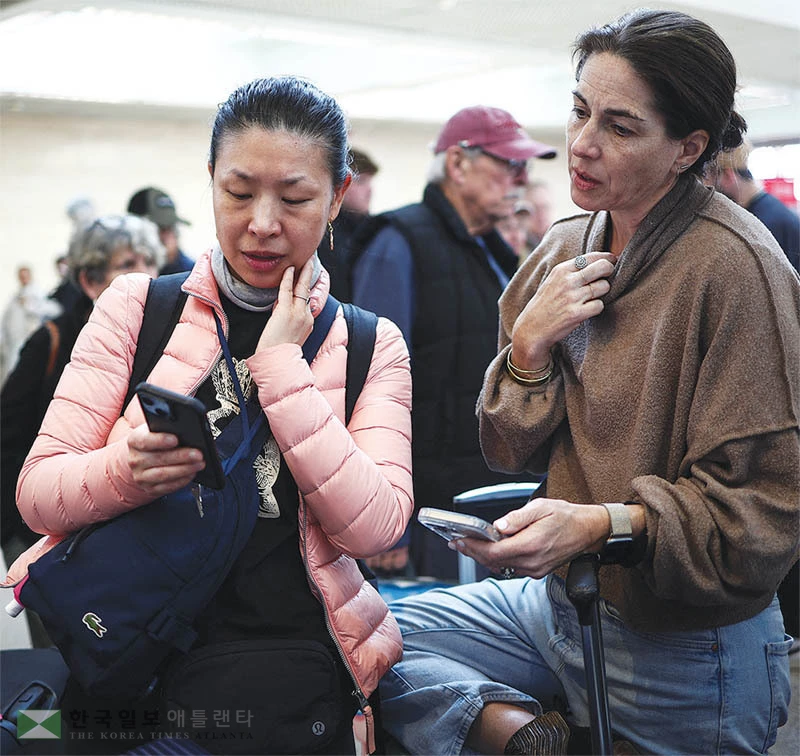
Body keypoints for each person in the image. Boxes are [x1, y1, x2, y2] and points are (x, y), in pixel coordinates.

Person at [378, 9, 799, 755]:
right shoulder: (566, 246)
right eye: (579, 110)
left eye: (621, 127)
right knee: (365, 638)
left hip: (686, 647)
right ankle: (522, 733)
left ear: (687, 149)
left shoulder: (737, 270)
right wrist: (529, 346)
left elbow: (757, 522)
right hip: (561, 607)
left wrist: (603, 524)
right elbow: (506, 448)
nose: (581, 144)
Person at [6, 76, 413, 754]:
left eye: (295, 197)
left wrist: (281, 367)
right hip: (137, 669)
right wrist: (126, 471)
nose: (261, 222)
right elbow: (39, 494)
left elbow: (374, 526)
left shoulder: (372, 342)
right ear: (210, 180)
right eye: (238, 191)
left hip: (288, 682)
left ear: (338, 196)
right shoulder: (138, 308)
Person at [349, 105, 556, 580]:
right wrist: (386, 525)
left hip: (494, 496)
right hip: (432, 516)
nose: (520, 178)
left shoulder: (491, 249)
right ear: (459, 165)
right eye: (508, 165)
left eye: (523, 167)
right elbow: (373, 388)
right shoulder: (398, 243)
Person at [1, 214, 163, 647]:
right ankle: (44, 720)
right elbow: (8, 437)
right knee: (55, 665)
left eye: (150, 259)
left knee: (110, 665)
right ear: (91, 280)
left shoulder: (161, 339)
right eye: (129, 262)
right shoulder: (51, 340)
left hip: (117, 536)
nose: (146, 271)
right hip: (45, 535)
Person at [709, 142, 800, 271]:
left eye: (710, 178)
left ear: (729, 176)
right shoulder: (767, 210)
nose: (708, 187)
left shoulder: (765, 222)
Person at [318, 147, 380, 300]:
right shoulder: (322, 235)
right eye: (361, 182)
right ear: (340, 186)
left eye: (370, 182)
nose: (369, 190)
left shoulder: (375, 232)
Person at [0, 265, 62, 386]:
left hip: (29, 340)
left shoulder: (37, 293)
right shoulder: (16, 296)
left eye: (25, 276)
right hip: (13, 343)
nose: (23, 279)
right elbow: (6, 320)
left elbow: (55, 310)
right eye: (21, 276)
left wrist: (30, 305)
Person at [127, 186, 196, 274]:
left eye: (172, 228)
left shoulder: (191, 274)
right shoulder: (118, 271)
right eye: (159, 229)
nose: (169, 238)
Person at [521, 179, 556, 251]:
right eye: (535, 208)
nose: (541, 214)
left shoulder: (561, 240)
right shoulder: (516, 245)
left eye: (545, 207)